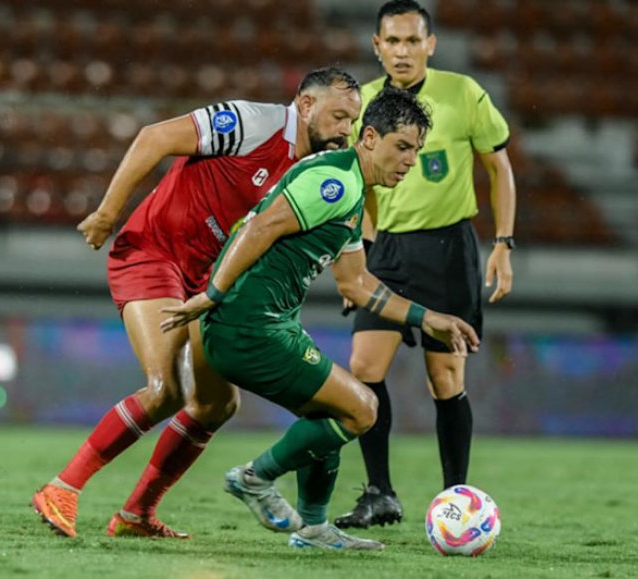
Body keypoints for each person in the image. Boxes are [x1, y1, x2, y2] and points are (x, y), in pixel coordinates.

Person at [31, 67, 362, 539]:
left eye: (353, 121)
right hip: (153, 251)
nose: (345, 129)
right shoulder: (254, 122)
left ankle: (136, 514)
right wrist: (108, 213)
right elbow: (155, 137)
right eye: (338, 116)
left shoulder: (316, 171)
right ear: (306, 106)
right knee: (164, 386)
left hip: (206, 282)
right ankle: (63, 487)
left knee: (216, 404)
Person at [160, 87, 480, 550]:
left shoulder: (351, 188)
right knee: (361, 408)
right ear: (370, 137)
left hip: (264, 322)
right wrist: (213, 293)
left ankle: (312, 528)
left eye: (417, 150)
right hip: (248, 324)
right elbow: (262, 225)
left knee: (330, 410)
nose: (411, 160)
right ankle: (255, 477)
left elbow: (357, 285)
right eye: (403, 146)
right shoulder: (337, 182)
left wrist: (427, 318)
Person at [335, 0, 517, 529]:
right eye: (392, 41)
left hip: (448, 250)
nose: (402, 51)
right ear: (376, 47)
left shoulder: (463, 93)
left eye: (413, 40)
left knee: (446, 378)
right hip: (386, 252)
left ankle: (454, 501)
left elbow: (499, 167)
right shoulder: (362, 103)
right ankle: (379, 493)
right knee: (365, 369)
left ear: (430, 45)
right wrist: (359, 251)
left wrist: (504, 242)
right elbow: (354, 183)